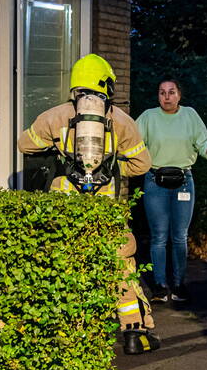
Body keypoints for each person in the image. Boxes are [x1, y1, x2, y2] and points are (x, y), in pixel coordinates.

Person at [18, 53, 160, 354]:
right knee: (121, 266)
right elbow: (142, 164)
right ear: (105, 84)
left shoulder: (54, 116)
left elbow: (25, 144)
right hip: (105, 209)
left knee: (66, 266)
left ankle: (68, 334)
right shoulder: (121, 120)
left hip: (64, 209)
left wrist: (57, 146)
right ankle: (135, 333)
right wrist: (114, 168)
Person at [137, 79, 207, 303]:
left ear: (179, 95)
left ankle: (179, 284)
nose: (167, 97)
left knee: (180, 236)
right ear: (158, 96)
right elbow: (133, 143)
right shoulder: (148, 117)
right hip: (155, 180)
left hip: (183, 181)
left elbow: (203, 147)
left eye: (171, 92)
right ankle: (159, 286)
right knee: (159, 237)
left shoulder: (190, 115)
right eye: (162, 92)